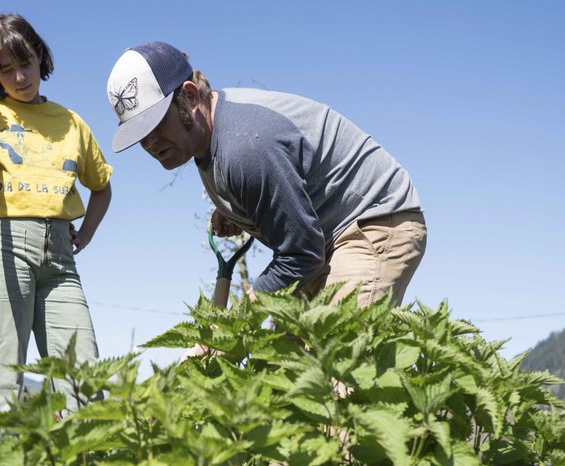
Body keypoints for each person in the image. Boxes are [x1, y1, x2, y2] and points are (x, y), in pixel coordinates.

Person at [106, 42, 424, 307]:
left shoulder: (245, 146)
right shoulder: (209, 138)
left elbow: (300, 253)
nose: (148, 142)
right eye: (138, 133)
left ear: (189, 97)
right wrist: (234, 208)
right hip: (324, 243)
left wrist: (232, 323)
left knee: (334, 363)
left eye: (155, 123)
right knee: (282, 365)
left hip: (372, 223)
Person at [0, 14, 112, 457]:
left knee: (81, 370)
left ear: (41, 58)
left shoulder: (70, 122)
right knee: (4, 372)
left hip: (59, 258)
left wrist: (85, 235)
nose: (20, 77)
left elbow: (102, 187)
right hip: (0, 247)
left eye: (27, 64)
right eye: (6, 69)